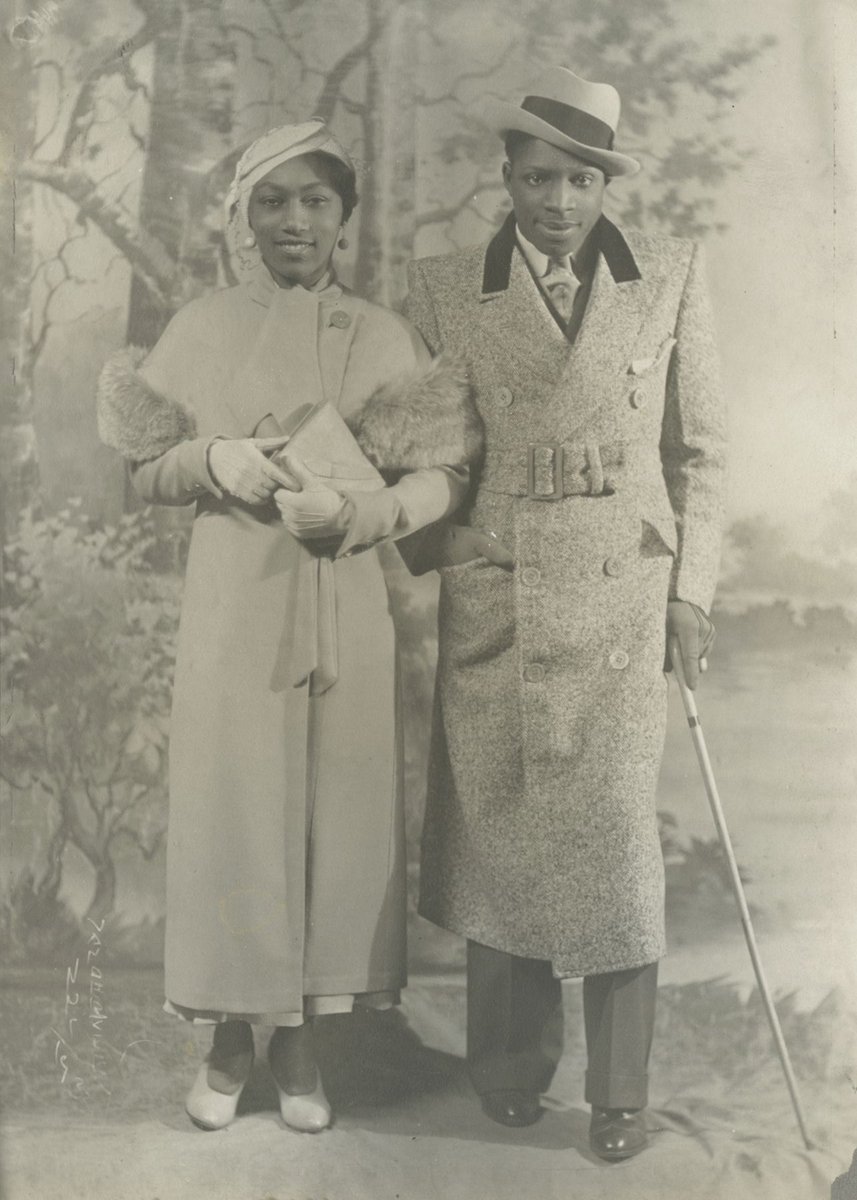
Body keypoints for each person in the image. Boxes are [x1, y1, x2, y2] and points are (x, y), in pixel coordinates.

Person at [96, 120, 481, 1133]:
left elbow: (442, 469)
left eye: (315, 202)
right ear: (243, 217)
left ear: (343, 218)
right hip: (234, 603)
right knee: (234, 812)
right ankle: (228, 1044)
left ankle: (305, 1042)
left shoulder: (381, 333)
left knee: (334, 820)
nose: (294, 220)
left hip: (342, 605)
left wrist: (371, 513)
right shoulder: (202, 325)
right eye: (273, 201)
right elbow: (142, 467)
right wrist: (211, 460)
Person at [404, 66, 727, 1161]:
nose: (556, 202)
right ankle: (505, 1072)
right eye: (537, 177)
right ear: (506, 176)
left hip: (623, 605)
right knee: (503, 836)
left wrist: (692, 594)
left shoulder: (670, 275)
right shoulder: (447, 288)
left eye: (578, 179)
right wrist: (425, 533)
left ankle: (620, 1096)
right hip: (499, 591)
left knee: (612, 854)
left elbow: (702, 453)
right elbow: (432, 450)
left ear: (605, 184)